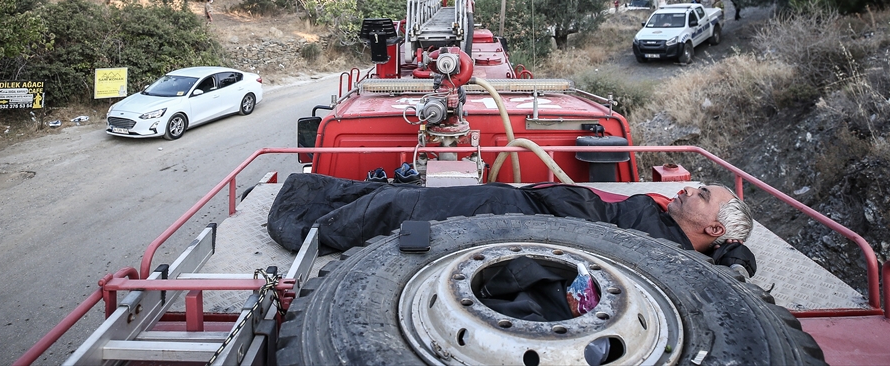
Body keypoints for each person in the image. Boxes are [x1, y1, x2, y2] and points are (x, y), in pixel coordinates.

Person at [268, 173, 753, 261]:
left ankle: (306, 222)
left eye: (701, 193)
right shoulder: (685, 231)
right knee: (400, 193)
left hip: (515, 217)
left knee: (401, 207)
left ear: (712, 227)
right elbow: (736, 254)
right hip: (522, 201)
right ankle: (312, 192)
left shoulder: (663, 250)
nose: (687, 186)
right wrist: (734, 256)